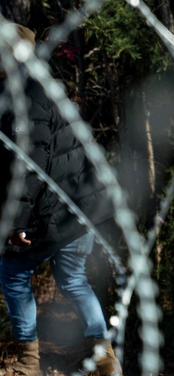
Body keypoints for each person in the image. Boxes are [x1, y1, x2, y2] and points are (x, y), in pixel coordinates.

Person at [0, 24, 121, 376]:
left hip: (53, 212)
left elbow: (29, 163)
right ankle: (105, 360)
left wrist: (18, 222)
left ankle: (28, 362)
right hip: (77, 208)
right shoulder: (38, 86)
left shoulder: (26, 95)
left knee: (11, 274)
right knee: (73, 280)